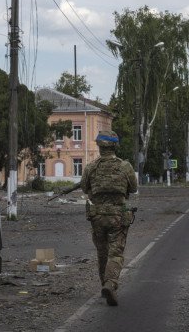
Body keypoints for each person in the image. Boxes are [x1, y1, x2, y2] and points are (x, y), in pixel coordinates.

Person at [79, 130, 137, 306]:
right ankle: (110, 283)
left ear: (99, 146)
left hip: (97, 217)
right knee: (116, 253)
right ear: (115, 145)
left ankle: (105, 285)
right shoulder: (124, 166)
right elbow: (133, 188)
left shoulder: (90, 167)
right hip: (118, 216)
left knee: (102, 253)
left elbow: (84, 188)